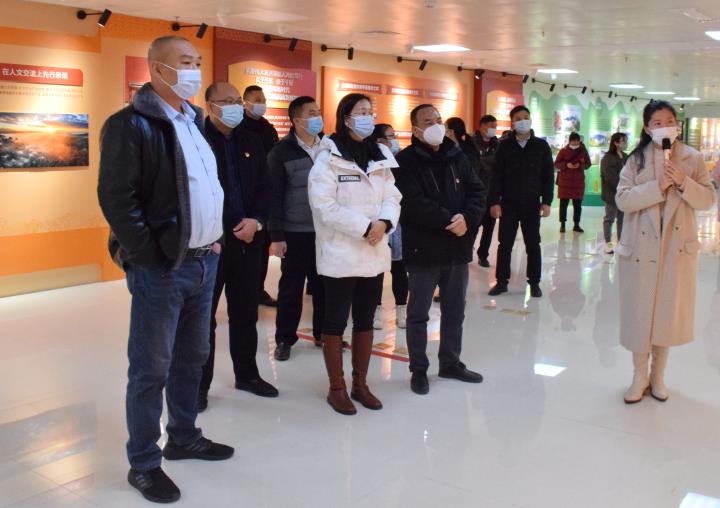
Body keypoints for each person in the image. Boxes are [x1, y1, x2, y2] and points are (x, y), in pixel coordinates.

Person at [98, 36, 233, 504]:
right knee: (150, 368)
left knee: (192, 358)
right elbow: (118, 199)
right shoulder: (129, 125)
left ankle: (184, 436)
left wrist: (213, 239)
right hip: (163, 268)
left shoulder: (193, 122)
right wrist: (150, 256)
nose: (193, 70)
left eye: (197, 61)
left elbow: (203, 187)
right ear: (157, 68)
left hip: (204, 261)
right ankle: (143, 463)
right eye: (184, 62)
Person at [616, 100, 716, 404]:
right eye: (657, 123)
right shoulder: (635, 160)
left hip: (676, 248)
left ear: (678, 125)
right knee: (640, 313)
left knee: (665, 314)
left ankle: (658, 376)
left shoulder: (692, 158)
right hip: (641, 247)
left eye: (669, 121)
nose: (664, 127)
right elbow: (622, 200)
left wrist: (683, 182)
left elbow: (708, 199)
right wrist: (657, 187)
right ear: (647, 128)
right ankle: (639, 376)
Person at [308, 93, 401, 415]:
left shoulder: (380, 154)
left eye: (370, 111)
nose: (367, 117)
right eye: (361, 112)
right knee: (335, 321)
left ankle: (360, 384)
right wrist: (365, 227)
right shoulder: (328, 157)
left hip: (373, 252)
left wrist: (385, 223)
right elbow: (324, 206)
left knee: (365, 319)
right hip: (341, 253)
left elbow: (392, 196)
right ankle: (337, 388)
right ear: (346, 118)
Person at [394, 104, 486, 395]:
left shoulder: (457, 155)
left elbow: (477, 191)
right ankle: (418, 369)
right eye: (427, 121)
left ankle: (450, 362)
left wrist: (467, 218)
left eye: (438, 120)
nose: (435, 125)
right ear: (415, 129)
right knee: (418, 314)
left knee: (455, 310)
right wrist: (450, 220)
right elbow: (412, 203)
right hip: (423, 250)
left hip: (457, 249)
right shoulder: (405, 161)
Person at [199, 81, 278, 409]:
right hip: (210, 244)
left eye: (237, 100)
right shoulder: (197, 139)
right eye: (227, 101)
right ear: (210, 105)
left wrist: (256, 221)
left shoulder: (251, 139)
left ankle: (247, 374)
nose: (235, 106)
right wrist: (235, 223)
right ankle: (198, 386)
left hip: (249, 241)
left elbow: (266, 185)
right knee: (203, 319)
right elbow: (200, 191)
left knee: (245, 312)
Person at [269, 96, 326, 361]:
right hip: (295, 232)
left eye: (318, 112)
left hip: (325, 230)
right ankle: (284, 339)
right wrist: (277, 236)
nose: (317, 117)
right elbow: (274, 196)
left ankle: (323, 333)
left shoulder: (329, 147)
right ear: (296, 120)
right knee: (291, 288)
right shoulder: (281, 152)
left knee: (324, 286)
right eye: (311, 113)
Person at [488, 105, 554, 298]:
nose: (523, 121)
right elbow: (496, 175)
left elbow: (548, 176)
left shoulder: (541, 146)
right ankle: (501, 282)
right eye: (518, 118)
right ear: (513, 123)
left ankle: (534, 283)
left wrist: (547, 201)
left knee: (533, 244)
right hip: (508, 203)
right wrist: (494, 201)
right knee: (505, 244)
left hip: (532, 203)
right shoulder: (504, 146)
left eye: (525, 117)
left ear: (530, 119)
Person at [239, 85, 280, 307]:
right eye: (257, 99)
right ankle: (244, 293)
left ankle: (258, 290)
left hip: (265, 194)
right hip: (244, 196)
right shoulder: (238, 127)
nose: (261, 103)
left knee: (262, 249)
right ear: (245, 102)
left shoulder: (267, 128)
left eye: (263, 99)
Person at [370, 123, 408, 329]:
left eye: (394, 136)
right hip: (376, 221)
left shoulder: (402, 160)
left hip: (398, 221)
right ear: (378, 141)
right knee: (376, 269)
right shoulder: (371, 161)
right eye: (390, 137)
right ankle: (374, 309)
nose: (394, 140)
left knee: (399, 268)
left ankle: (402, 308)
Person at [473, 114, 500, 267]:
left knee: (489, 228)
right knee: (473, 226)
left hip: (492, 193)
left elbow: (500, 167)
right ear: (482, 126)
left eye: (495, 127)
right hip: (475, 194)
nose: (493, 129)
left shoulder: (498, 145)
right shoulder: (472, 143)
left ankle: (483, 255)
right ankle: (466, 251)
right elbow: (474, 166)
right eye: (490, 126)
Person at [554, 132, 591, 233]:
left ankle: (576, 225)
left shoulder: (583, 151)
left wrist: (580, 166)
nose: (574, 144)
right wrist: (566, 165)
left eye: (576, 142)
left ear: (579, 141)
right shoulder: (563, 151)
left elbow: (588, 164)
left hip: (578, 183)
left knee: (577, 206)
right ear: (569, 141)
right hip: (564, 183)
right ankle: (562, 225)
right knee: (563, 205)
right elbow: (556, 164)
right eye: (573, 142)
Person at [600, 132, 628, 253]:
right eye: (623, 141)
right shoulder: (608, 158)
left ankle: (621, 242)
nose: (625, 143)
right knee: (609, 218)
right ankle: (608, 243)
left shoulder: (625, 156)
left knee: (622, 219)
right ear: (616, 143)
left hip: (624, 193)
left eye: (626, 141)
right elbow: (610, 177)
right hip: (611, 194)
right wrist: (622, 186)